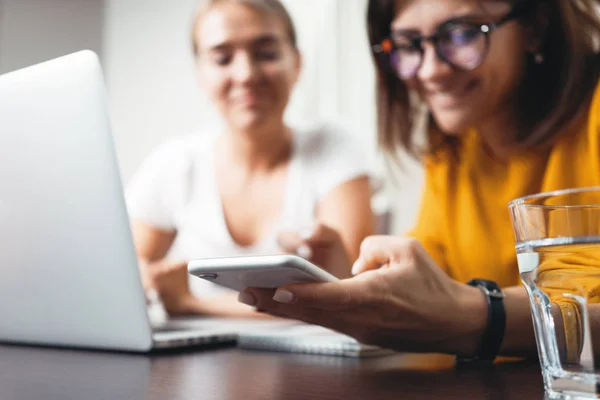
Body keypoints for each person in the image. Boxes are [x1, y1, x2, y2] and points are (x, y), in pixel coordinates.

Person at [240, 0, 600, 360]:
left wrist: (478, 316)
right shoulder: (453, 150)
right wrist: (347, 283)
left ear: (534, 27)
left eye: (462, 34)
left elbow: (452, 308)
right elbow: (431, 291)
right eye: (410, 44)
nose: (430, 70)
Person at [126, 0, 374, 318]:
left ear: (297, 63)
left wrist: (192, 304)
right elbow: (123, 277)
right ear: (201, 73)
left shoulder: (334, 147)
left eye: (266, 54)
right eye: (222, 58)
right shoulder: (174, 163)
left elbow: (346, 294)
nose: (245, 75)